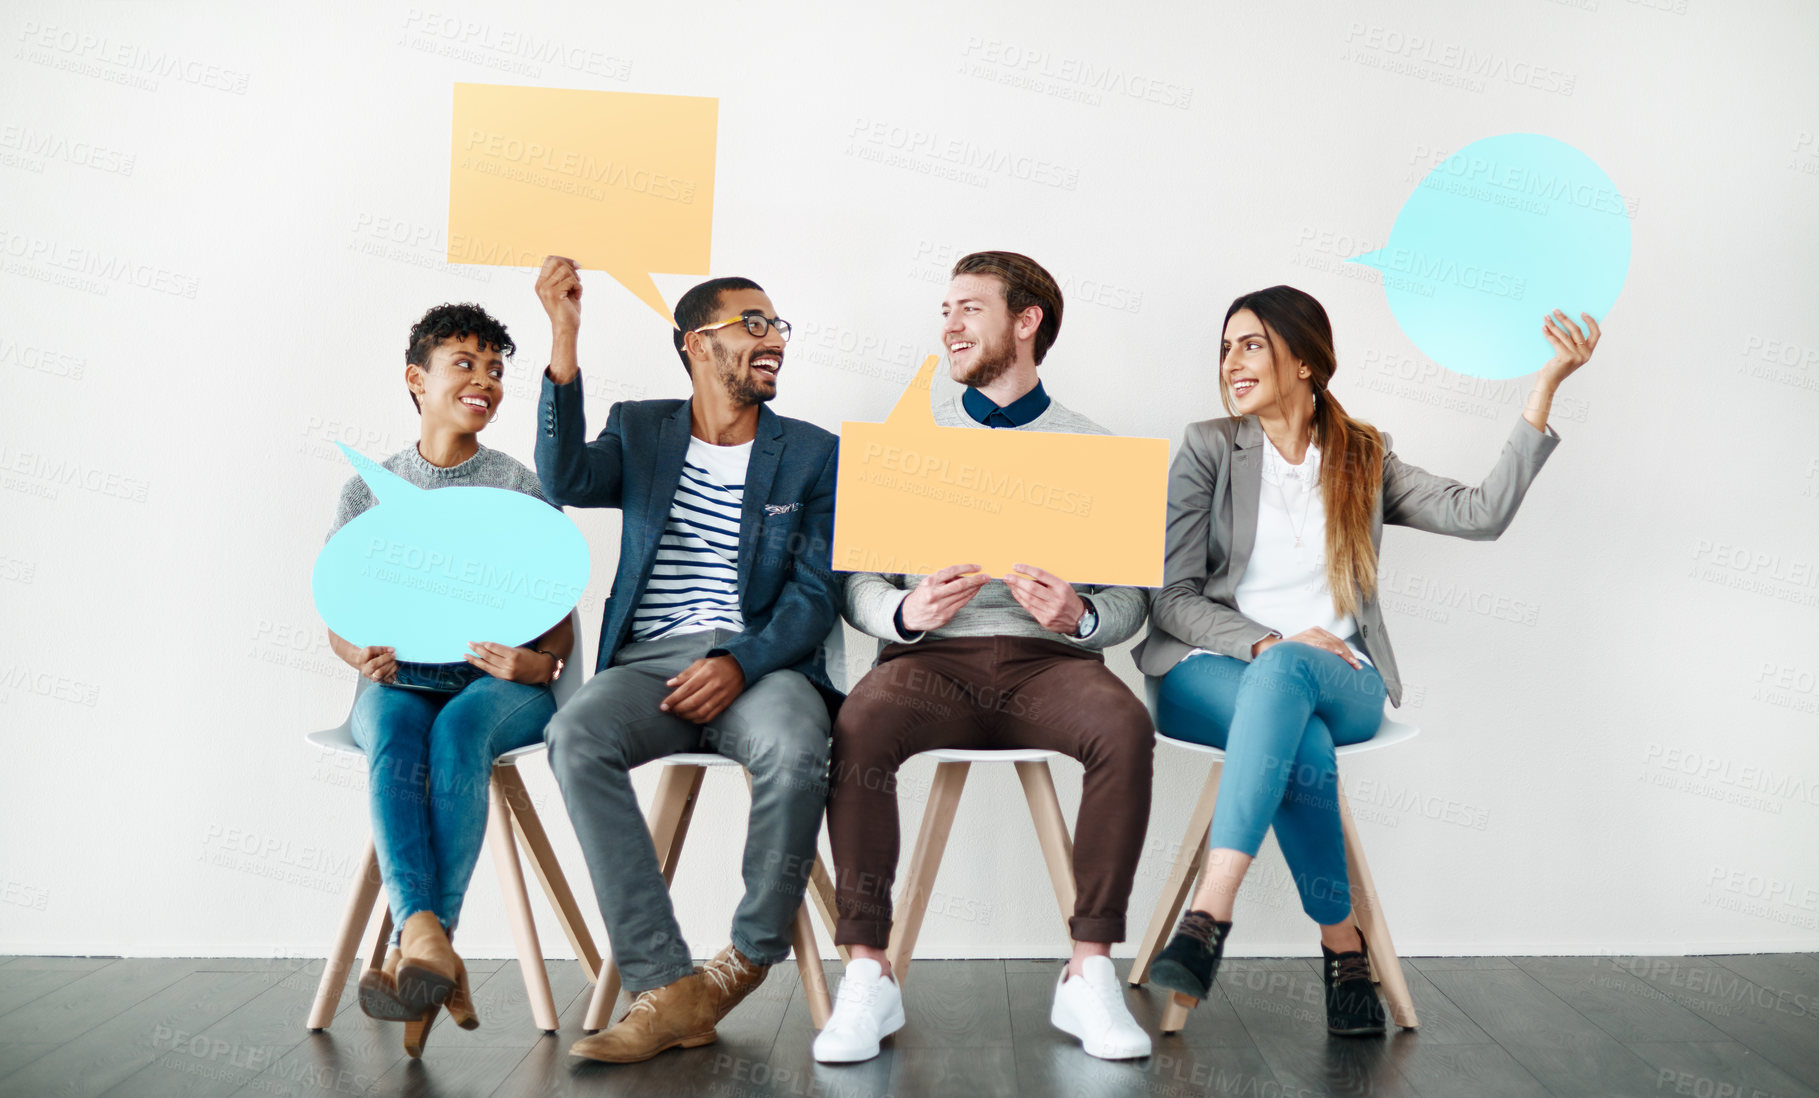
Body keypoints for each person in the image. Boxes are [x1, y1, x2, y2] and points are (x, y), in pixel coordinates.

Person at [1135, 285, 1598, 1035]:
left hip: (1341, 678)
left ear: (1306, 363)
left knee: (1289, 682)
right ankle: (1341, 948)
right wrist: (1265, 641)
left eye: (1249, 344)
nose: (1230, 362)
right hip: (1210, 669)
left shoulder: (1362, 456)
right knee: (1293, 716)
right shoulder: (1208, 446)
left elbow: (1479, 514)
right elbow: (1174, 596)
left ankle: (1206, 917)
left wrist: (1543, 389)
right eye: (1225, 347)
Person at [815, 251, 1156, 1064]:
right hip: (930, 661)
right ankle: (868, 972)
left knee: (1125, 726)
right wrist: (901, 610)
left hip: (1053, 667)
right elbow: (855, 579)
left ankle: (1089, 970)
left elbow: (1134, 603)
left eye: (969, 308)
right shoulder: (909, 443)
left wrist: (1080, 618)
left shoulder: (1095, 449)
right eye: (944, 309)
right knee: (858, 721)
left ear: (1026, 321)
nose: (949, 325)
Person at [532, 257, 843, 1065]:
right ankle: (668, 985)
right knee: (575, 735)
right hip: (646, 663)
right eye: (754, 324)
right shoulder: (641, 429)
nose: (773, 339)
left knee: (795, 746)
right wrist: (564, 334)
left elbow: (813, 595)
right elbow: (564, 477)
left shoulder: (812, 453)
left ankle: (744, 959)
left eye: (778, 326)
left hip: (763, 663)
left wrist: (740, 663)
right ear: (696, 345)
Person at [322, 302, 575, 1057]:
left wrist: (545, 662)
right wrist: (356, 653)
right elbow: (338, 610)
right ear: (416, 380)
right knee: (398, 731)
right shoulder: (368, 488)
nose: (485, 381)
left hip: (497, 684)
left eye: (496, 370)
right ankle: (429, 948)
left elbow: (555, 607)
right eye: (464, 364)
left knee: (459, 730)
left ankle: (421, 946)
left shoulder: (519, 484)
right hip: (400, 679)